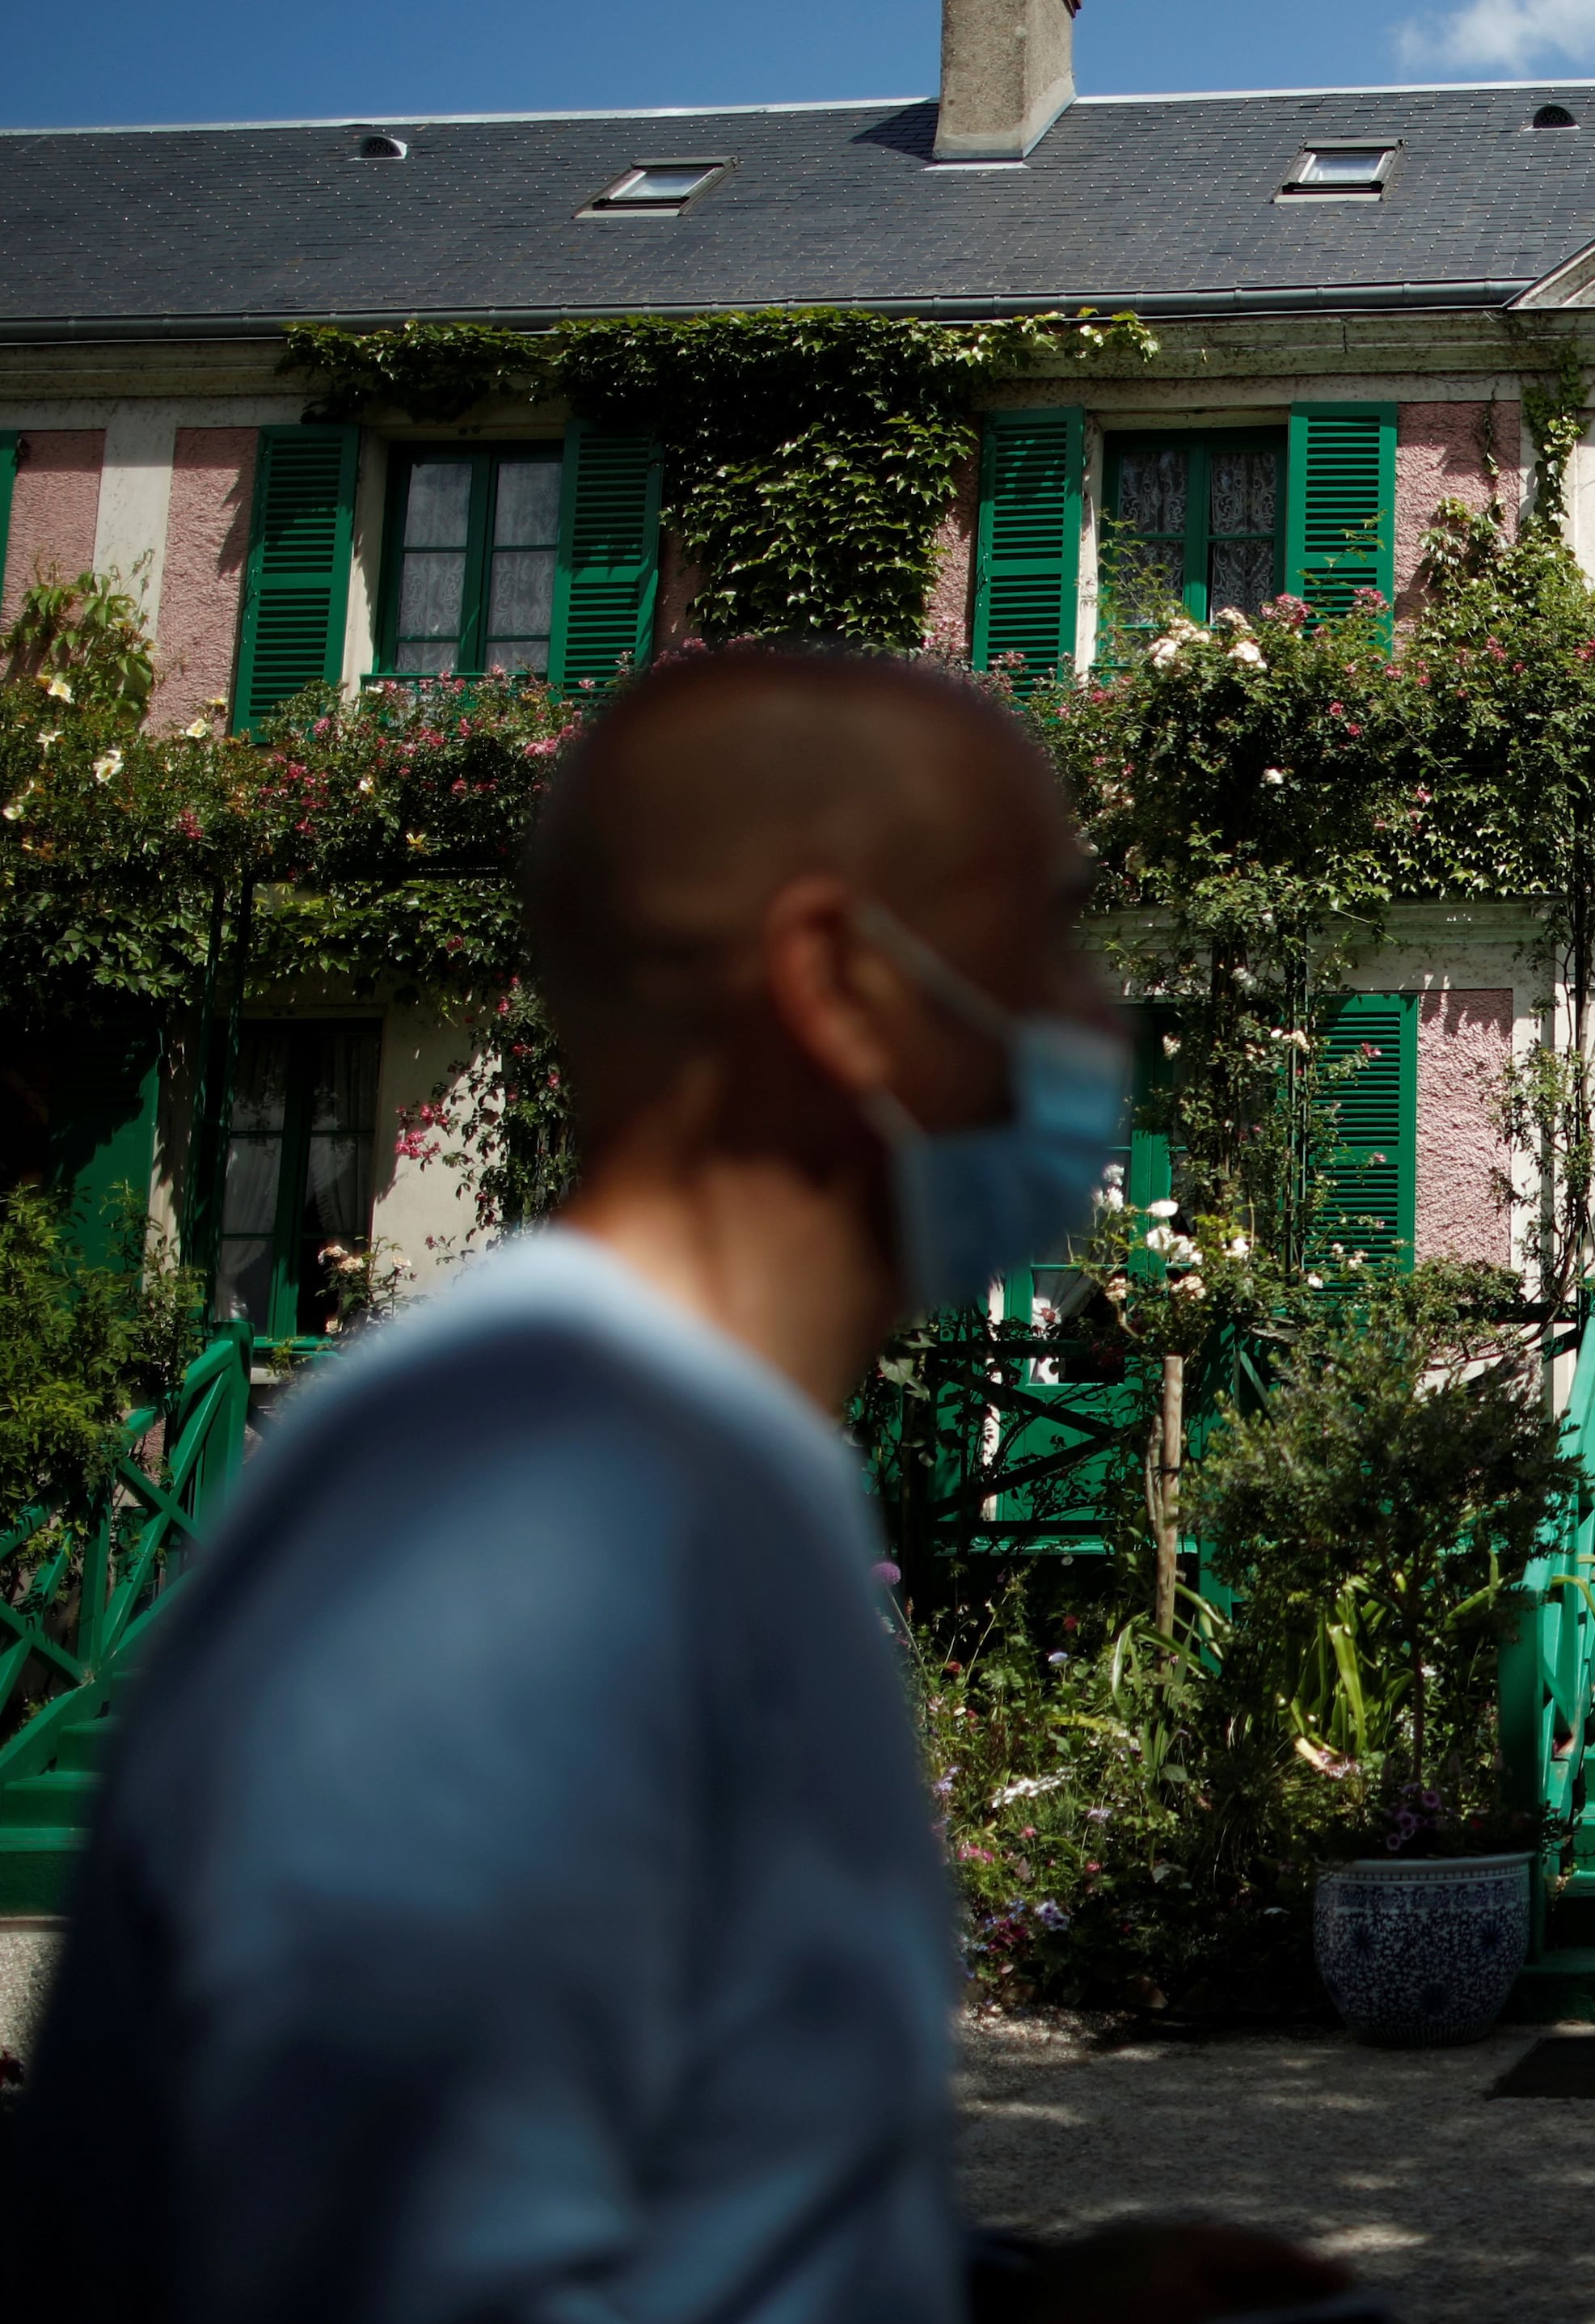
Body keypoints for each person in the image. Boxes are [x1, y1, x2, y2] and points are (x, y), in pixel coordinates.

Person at [2, 653, 1352, 2322]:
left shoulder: (671, 1468)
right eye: (1043, 935)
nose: (1093, 1016)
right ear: (844, 987)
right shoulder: (532, 1515)